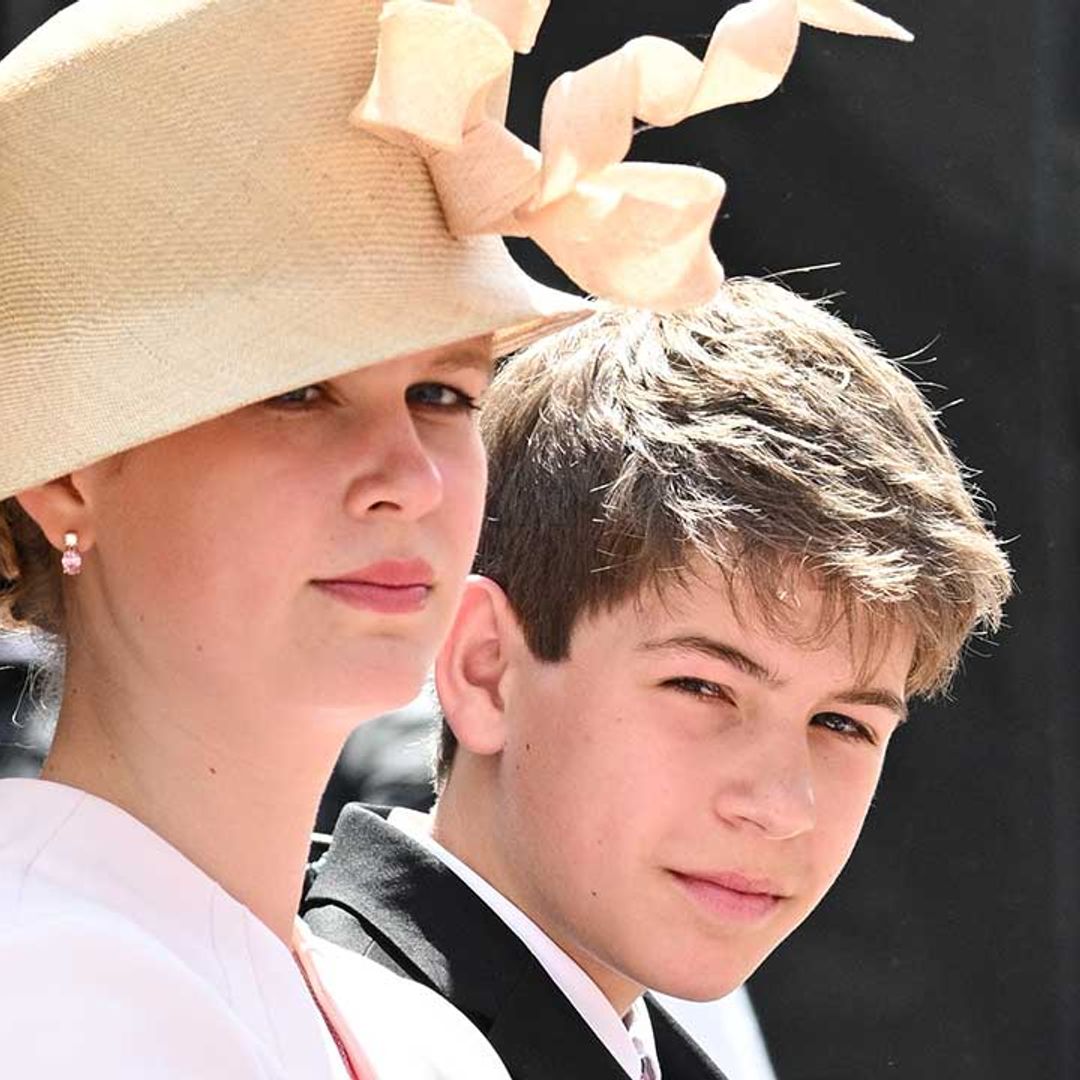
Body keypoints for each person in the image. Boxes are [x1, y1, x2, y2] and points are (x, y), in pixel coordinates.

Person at [0, 0, 744, 1074]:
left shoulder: (420, 1035)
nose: (407, 474)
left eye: (443, 392)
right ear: (70, 477)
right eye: (298, 392)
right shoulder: (45, 991)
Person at [303, 279, 1013, 1080]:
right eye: (703, 687)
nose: (782, 806)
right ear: (487, 668)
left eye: (843, 723)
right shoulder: (315, 1040)